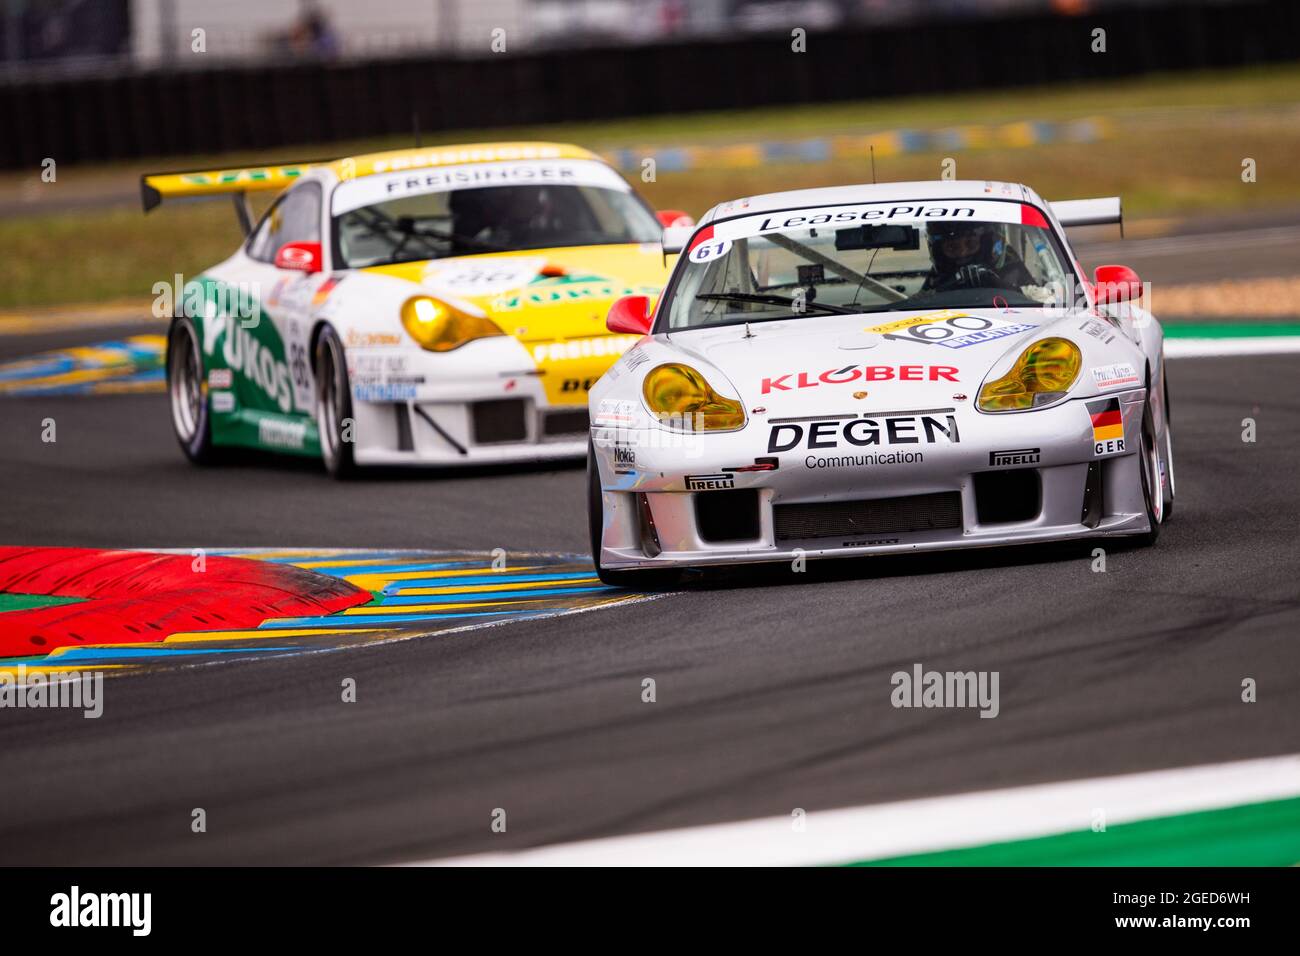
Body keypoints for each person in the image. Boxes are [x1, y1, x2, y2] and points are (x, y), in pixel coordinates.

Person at [922, 221, 1035, 292]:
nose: (962, 252)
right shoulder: (939, 274)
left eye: (971, 244)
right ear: (939, 251)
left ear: (987, 244)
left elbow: (1039, 299)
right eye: (952, 247)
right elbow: (920, 302)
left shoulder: (1011, 266)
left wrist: (999, 286)